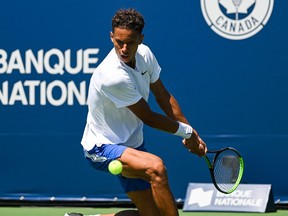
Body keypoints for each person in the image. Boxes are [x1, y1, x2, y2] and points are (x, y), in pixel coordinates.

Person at [65, 8, 207, 216]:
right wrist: (187, 133)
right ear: (111, 36)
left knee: (151, 214)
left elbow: (163, 96)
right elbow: (148, 116)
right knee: (156, 168)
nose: (123, 48)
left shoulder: (145, 55)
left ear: (140, 39)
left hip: (132, 144)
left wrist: (191, 133)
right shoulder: (112, 75)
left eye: (130, 42)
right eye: (118, 41)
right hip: (102, 147)